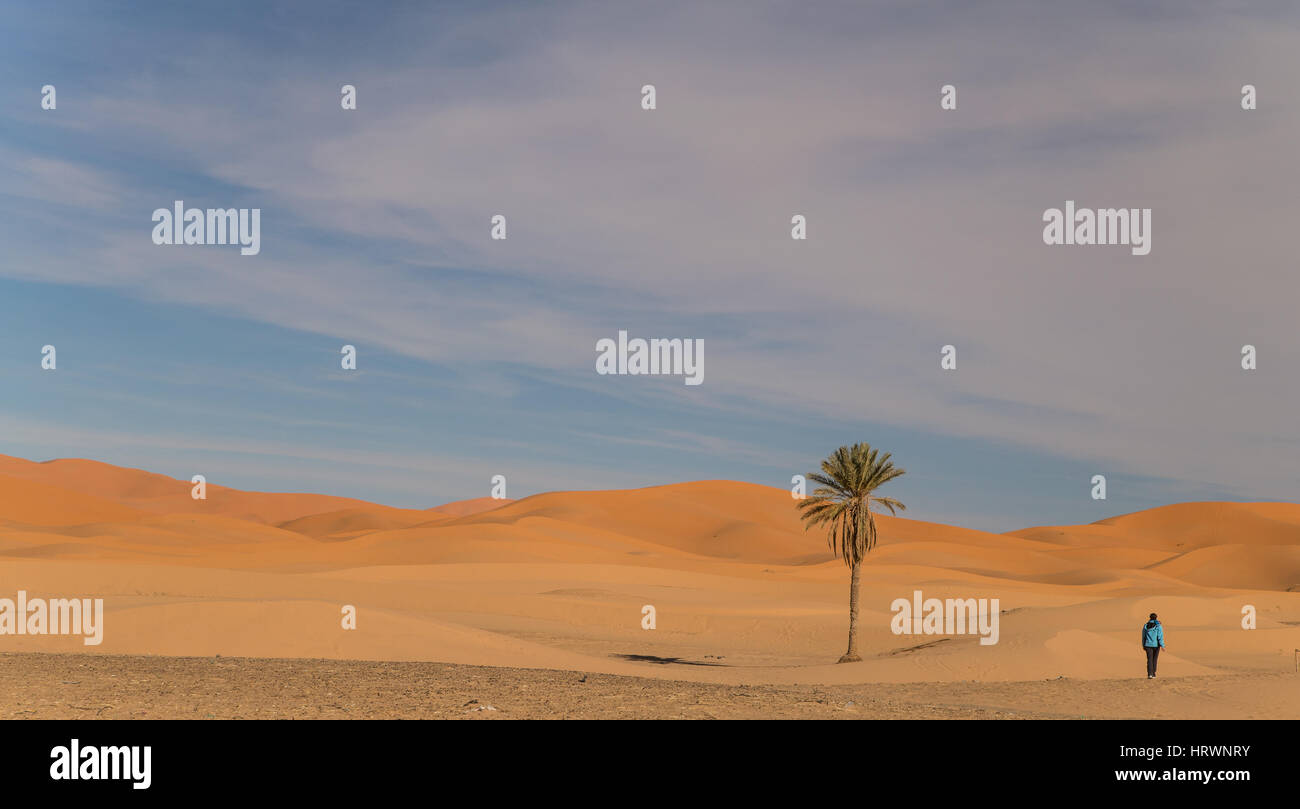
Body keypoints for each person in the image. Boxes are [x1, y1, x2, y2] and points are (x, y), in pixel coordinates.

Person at [1142, 612, 1165, 679]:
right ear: (1156, 618)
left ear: (1150, 617)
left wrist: (1143, 645)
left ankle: (1150, 674)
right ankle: (1153, 673)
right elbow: (1160, 636)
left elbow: (1143, 636)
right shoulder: (1158, 626)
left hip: (1147, 645)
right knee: (1154, 659)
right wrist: (1162, 645)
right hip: (1156, 645)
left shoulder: (1145, 625)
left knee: (1149, 660)